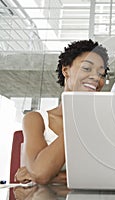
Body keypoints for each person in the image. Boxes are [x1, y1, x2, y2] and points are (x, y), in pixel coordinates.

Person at [14, 39, 109, 185]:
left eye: (101, 73)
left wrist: (56, 176)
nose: (96, 77)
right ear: (66, 70)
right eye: (86, 68)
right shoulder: (36, 119)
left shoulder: (104, 123)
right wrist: (78, 118)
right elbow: (41, 173)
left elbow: (108, 178)